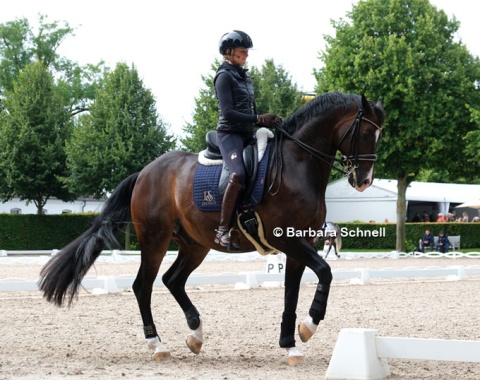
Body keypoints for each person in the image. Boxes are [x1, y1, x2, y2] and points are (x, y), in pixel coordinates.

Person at [213, 30, 278, 249]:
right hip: (230, 134)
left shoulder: (245, 77)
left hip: (248, 134)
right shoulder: (223, 77)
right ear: (229, 53)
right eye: (243, 52)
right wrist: (258, 118)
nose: (246, 55)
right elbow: (229, 112)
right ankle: (222, 230)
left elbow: (252, 110)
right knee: (238, 173)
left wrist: (267, 121)